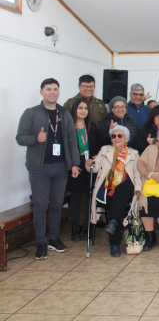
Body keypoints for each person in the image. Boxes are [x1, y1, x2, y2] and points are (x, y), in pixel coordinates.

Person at [16, 78, 81, 260]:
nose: (52, 92)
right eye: (48, 89)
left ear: (59, 92)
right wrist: (35, 139)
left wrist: (74, 164)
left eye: (55, 89)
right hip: (39, 168)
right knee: (40, 206)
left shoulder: (64, 113)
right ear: (41, 92)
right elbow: (20, 137)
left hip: (61, 167)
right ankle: (41, 243)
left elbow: (71, 140)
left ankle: (54, 239)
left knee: (57, 205)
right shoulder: (31, 113)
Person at [88, 125, 142, 257]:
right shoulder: (105, 150)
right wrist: (90, 163)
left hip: (127, 188)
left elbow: (137, 174)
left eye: (120, 135)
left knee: (122, 189)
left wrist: (138, 188)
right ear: (111, 139)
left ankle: (114, 243)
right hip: (107, 190)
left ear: (126, 139)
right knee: (116, 207)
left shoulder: (133, 153)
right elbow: (95, 169)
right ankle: (114, 237)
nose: (117, 138)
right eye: (114, 136)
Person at [66, 99, 101, 242]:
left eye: (85, 108)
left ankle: (89, 225)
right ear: (74, 110)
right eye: (80, 108)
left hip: (89, 165)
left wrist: (95, 156)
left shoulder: (92, 128)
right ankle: (75, 227)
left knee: (90, 195)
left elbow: (98, 146)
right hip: (75, 164)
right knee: (76, 196)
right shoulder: (68, 128)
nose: (83, 111)